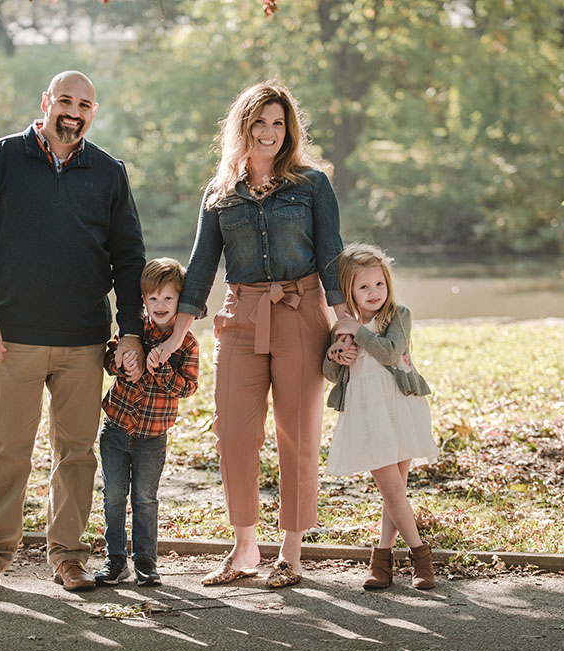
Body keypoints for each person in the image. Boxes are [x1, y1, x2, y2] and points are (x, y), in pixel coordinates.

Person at [0, 70, 146, 595]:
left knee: (77, 453)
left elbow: (129, 258)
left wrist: (130, 331)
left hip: (84, 339)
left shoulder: (108, 172)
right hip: (13, 336)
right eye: (65, 100)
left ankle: (68, 557)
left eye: (84, 104)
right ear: (46, 102)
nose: (73, 111)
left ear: (93, 112)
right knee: (7, 450)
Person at [149, 82, 349, 588]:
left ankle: (291, 551)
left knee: (297, 433)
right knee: (234, 431)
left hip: (301, 312)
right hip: (240, 316)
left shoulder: (311, 185)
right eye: (259, 122)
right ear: (242, 127)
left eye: (278, 123)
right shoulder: (220, 193)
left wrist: (345, 318)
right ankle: (243, 548)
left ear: (290, 129)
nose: (269, 132)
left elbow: (331, 253)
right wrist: (175, 335)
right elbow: (200, 267)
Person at [322, 242, 438, 590]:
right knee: (392, 490)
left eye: (379, 284)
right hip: (366, 413)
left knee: (394, 491)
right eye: (364, 287)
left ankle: (383, 562)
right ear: (349, 290)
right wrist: (334, 353)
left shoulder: (396, 315)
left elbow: (389, 354)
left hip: (399, 406)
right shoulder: (344, 325)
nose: (374, 293)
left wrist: (358, 332)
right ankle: (420, 557)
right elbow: (330, 373)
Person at [93, 258, 199, 587]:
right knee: (113, 495)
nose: (160, 305)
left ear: (180, 300)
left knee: (145, 498)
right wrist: (123, 361)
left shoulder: (187, 343)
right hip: (116, 427)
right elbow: (109, 357)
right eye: (152, 299)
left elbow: (189, 387)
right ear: (143, 300)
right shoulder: (134, 329)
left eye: (168, 298)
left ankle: (146, 561)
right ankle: (115, 559)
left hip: (153, 437)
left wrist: (163, 368)